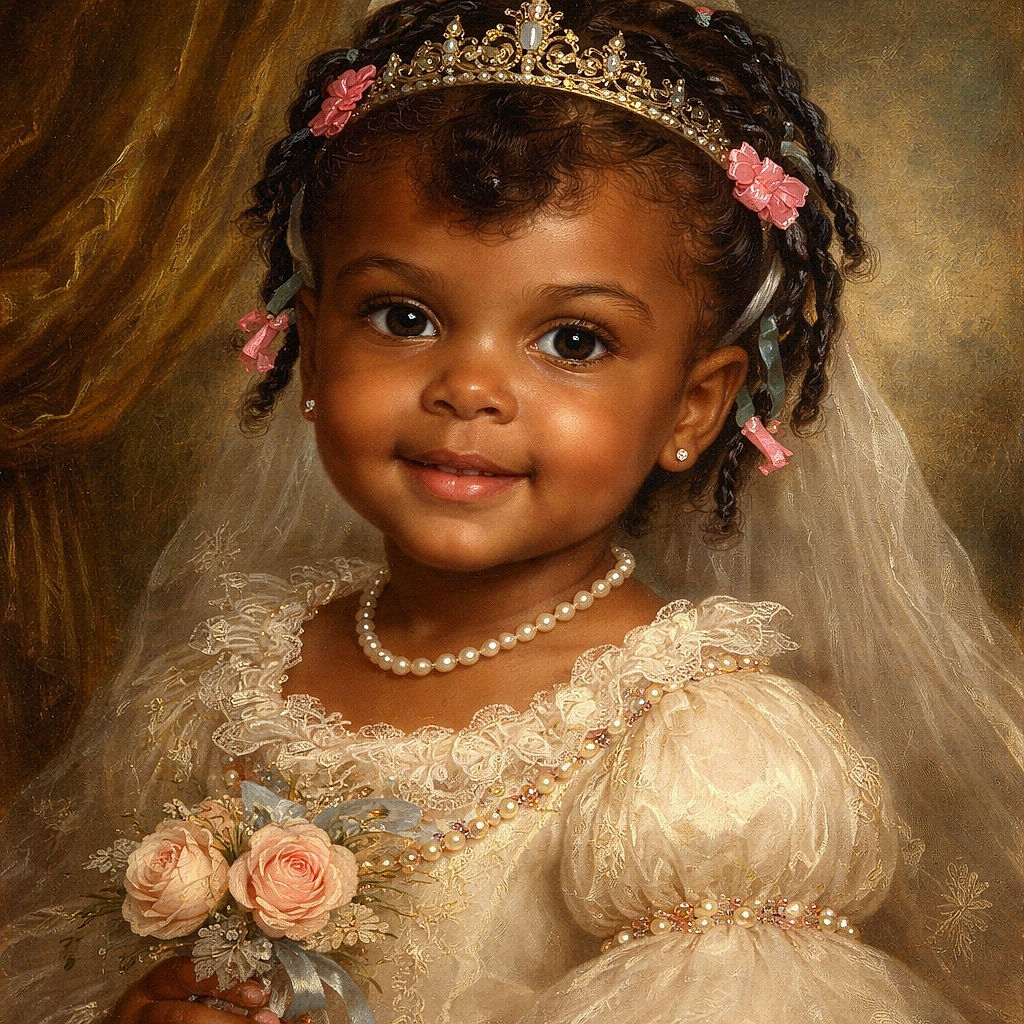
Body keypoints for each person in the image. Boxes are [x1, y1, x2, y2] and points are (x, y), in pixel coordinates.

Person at [2, 1, 1023, 1022]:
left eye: (572, 341)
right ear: (310, 344)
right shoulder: (223, 675)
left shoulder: (709, 760)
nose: (468, 388)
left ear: (692, 405)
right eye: (403, 318)